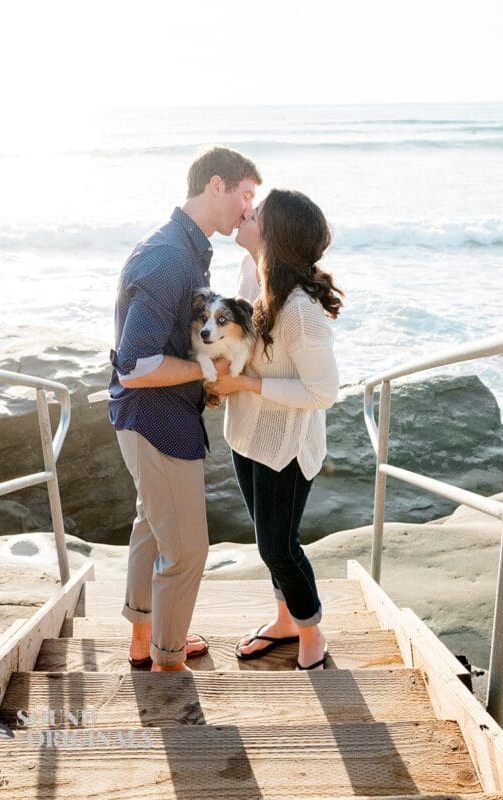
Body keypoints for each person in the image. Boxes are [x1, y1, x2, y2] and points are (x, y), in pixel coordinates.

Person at [109, 146, 261, 672]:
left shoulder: (185, 249)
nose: (248, 209)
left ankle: (143, 642)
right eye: (245, 195)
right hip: (156, 420)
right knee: (189, 550)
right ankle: (169, 665)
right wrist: (209, 374)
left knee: (151, 525)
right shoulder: (169, 256)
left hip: (154, 416)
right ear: (215, 186)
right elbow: (134, 364)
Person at [212, 189, 343, 671]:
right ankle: (285, 619)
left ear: (275, 235)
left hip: (285, 446)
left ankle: (311, 632)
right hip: (247, 434)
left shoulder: (302, 312)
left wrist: (246, 382)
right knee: (268, 540)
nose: (247, 211)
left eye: (258, 212)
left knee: (278, 545)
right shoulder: (252, 273)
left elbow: (322, 391)